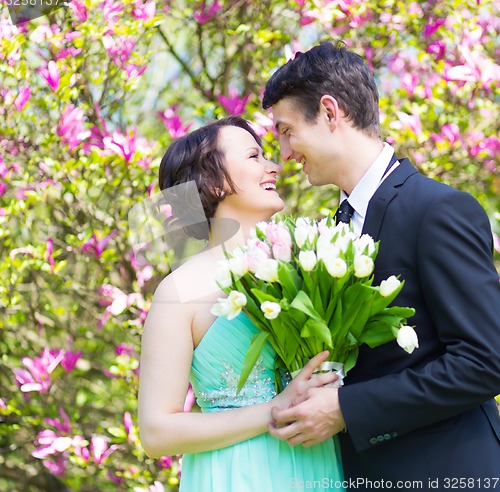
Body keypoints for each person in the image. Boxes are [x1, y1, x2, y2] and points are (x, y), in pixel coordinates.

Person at [262, 41, 500, 488]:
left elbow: (486, 361)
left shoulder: (438, 210)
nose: (284, 153)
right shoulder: (334, 226)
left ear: (330, 113)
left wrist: (344, 408)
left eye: (286, 130)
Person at [137, 116, 345, 491]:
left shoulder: (306, 267)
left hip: (318, 463)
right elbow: (156, 432)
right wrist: (274, 408)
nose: (274, 167)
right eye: (254, 157)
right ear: (213, 182)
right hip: (239, 473)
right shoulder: (179, 291)